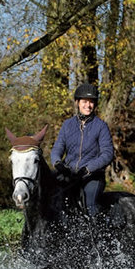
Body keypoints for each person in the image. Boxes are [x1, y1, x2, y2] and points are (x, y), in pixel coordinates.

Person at [51, 83, 114, 216]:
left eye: (91, 102)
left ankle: (96, 235)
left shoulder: (101, 126)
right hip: (69, 174)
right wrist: (57, 163)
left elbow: (107, 154)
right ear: (77, 103)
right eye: (84, 101)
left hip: (92, 176)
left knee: (90, 204)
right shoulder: (67, 125)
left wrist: (88, 168)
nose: (88, 105)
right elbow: (58, 147)